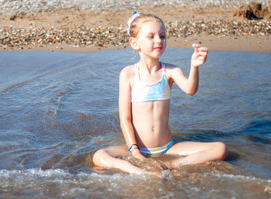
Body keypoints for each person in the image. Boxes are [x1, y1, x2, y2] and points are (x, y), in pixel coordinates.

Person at [92, 12, 227, 175]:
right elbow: (125, 119)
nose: (158, 40)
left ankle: (173, 165)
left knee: (220, 149)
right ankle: (137, 171)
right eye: (151, 36)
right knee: (99, 156)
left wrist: (194, 67)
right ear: (135, 43)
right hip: (137, 149)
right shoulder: (128, 74)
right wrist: (135, 153)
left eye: (162, 36)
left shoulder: (170, 71)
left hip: (168, 148)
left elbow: (190, 90)